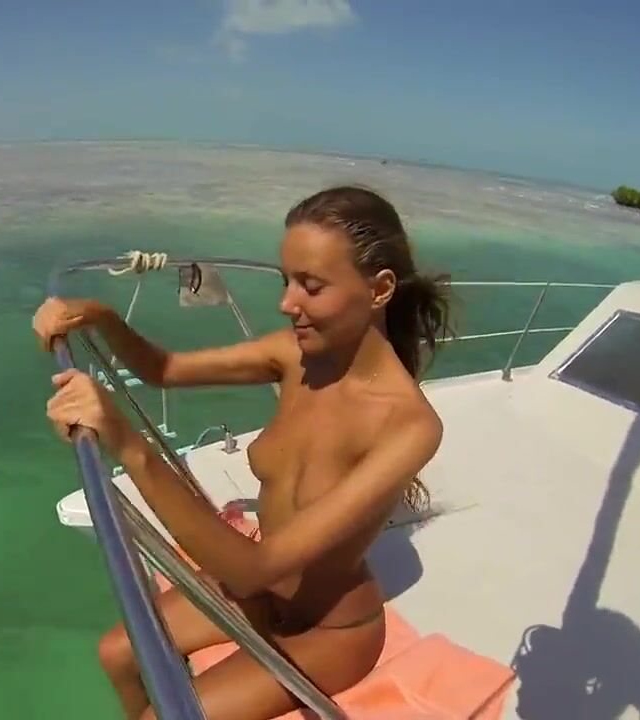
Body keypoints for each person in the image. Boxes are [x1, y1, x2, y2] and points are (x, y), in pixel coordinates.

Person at [34, 185, 454, 720]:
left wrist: (126, 442)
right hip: (261, 591)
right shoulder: (294, 355)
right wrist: (99, 316)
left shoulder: (410, 426)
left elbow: (256, 569)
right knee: (116, 653)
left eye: (311, 286)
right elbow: (163, 370)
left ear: (380, 289)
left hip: (326, 629)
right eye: (286, 281)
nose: (287, 304)